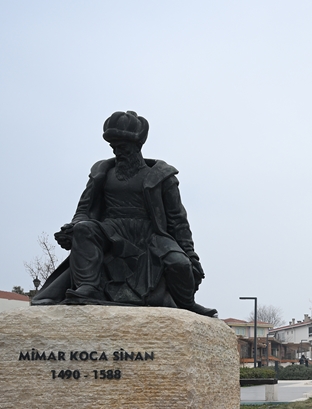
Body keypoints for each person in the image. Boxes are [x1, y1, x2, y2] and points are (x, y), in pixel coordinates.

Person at [30, 110, 216, 316]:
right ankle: (88, 287)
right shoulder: (102, 173)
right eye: (114, 147)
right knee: (84, 229)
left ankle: (186, 302)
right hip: (111, 230)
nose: (118, 152)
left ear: (138, 146)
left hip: (150, 235)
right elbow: (83, 211)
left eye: (123, 147)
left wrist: (190, 255)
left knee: (179, 264)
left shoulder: (162, 177)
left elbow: (178, 221)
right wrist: (72, 227)